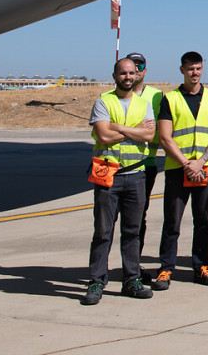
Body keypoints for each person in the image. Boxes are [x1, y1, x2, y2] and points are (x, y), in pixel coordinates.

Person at [82, 57, 155, 305]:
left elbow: (150, 134)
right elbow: (102, 134)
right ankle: (96, 281)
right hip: (106, 173)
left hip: (135, 175)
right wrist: (134, 129)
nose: (127, 77)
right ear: (114, 76)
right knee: (103, 232)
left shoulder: (144, 103)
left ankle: (132, 280)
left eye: (131, 73)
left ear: (136, 76)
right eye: (122, 73)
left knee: (132, 232)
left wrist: (119, 127)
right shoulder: (103, 101)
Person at [154, 51, 208, 289]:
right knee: (172, 221)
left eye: (198, 68)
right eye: (190, 69)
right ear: (182, 70)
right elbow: (165, 137)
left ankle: (202, 266)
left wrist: (201, 161)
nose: (194, 73)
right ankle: (165, 268)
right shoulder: (170, 98)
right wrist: (187, 163)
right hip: (178, 168)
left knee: (203, 219)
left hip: (205, 167)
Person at [126, 51, 164, 271]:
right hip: (117, 165)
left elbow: (157, 131)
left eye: (139, 67)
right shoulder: (112, 96)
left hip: (145, 164)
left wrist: (131, 132)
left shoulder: (156, 96)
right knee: (108, 223)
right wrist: (136, 131)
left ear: (145, 70)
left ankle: (134, 267)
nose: (136, 71)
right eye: (132, 67)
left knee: (139, 217)